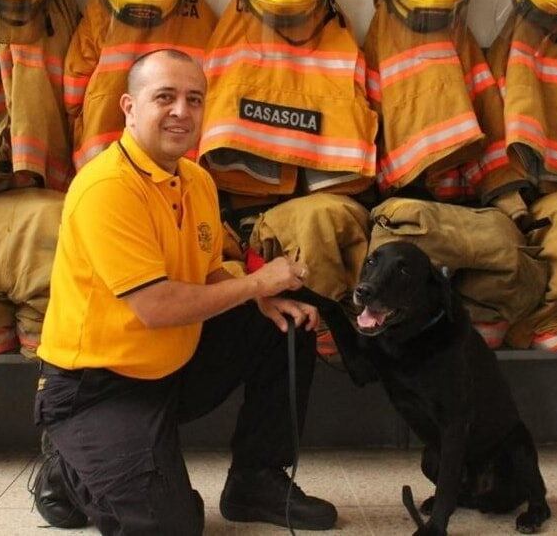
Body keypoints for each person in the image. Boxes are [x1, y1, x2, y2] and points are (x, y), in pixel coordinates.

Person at [31, 48, 338, 533]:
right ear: (129, 107)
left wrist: (259, 296)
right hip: (96, 387)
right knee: (173, 525)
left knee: (285, 322)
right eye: (165, 97)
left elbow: (207, 273)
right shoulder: (106, 188)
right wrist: (258, 280)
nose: (182, 111)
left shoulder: (196, 180)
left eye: (194, 99)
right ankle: (69, 467)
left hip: (171, 367)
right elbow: (155, 306)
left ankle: (256, 480)